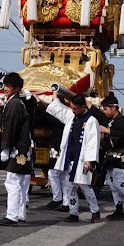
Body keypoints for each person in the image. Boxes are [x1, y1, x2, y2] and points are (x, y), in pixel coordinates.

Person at [47, 95, 102, 223]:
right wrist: (55, 95)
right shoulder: (71, 116)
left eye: (75, 109)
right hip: (69, 157)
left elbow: (93, 142)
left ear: (83, 107)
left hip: (83, 159)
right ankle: (73, 212)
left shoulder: (91, 121)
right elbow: (59, 110)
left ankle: (95, 211)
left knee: (85, 186)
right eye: (71, 108)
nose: (73, 110)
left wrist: (90, 160)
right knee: (69, 186)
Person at [0, 72, 33, 227]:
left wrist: (5, 147)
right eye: (5, 85)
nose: (5, 88)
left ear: (17, 88)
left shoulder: (15, 104)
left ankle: (12, 216)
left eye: (9, 86)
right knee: (22, 183)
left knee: (13, 182)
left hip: (16, 149)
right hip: (24, 148)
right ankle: (20, 214)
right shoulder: (17, 103)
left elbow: (10, 128)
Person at [39, 98, 69, 211]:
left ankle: (59, 199)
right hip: (60, 148)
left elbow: (46, 117)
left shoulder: (61, 117)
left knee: (54, 174)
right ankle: (65, 201)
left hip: (60, 149)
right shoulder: (67, 115)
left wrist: (39, 104)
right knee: (62, 176)